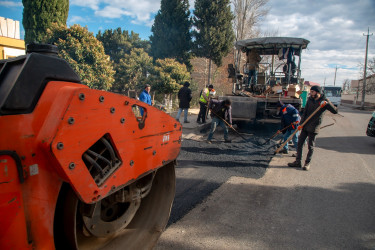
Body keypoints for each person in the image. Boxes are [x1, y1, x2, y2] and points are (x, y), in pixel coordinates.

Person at [288, 85, 338, 170]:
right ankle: (297, 161)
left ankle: (307, 163)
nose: (310, 93)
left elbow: (335, 111)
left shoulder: (324, 101)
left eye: (312, 92)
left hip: (314, 127)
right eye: (311, 92)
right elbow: (305, 112)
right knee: (300, 143)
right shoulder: (310, 100)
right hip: (305, 125)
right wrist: (301, 124)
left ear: (317, 92)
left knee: (310, 146)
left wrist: (328, 103)